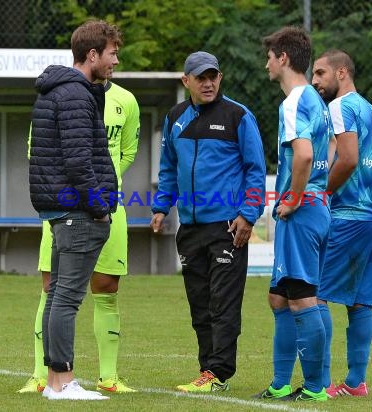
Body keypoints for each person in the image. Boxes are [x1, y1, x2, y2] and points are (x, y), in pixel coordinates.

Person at [19, 21, 140, 396]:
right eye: (112, 53)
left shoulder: (59, 89)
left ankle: (56, 383)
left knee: (58, 295)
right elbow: (78, 160)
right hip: (77, 213)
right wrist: (100, 206)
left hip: (61, 210)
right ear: (92, 55)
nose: (115, 60)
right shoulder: (75, 94)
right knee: (67, 298)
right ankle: (65, 380)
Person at [150, 51, 266, 393]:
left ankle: (219, 372)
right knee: (200, 305)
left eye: (213, 76)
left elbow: (255, 170)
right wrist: (160, 206)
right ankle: (206, 370)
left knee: (223, 302)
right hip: (190, 228)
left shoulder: (238, 116)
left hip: (228, 227)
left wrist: (248, 214)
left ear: (220, 77)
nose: (208, 82)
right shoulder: (175, 118)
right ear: (186, 81)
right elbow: (168, 168)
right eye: (200, 77)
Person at [253, 26, 332, 402]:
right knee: (279, 298)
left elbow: (302, 154)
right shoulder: (316, 100)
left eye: (270, 56)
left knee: (302, 298)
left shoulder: (294, 101)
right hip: (316, 206)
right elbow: (328, 149)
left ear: (283, 58)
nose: (266, 63)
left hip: (300, 210)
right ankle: (282, 382)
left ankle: (315, 388)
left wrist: (296, 197)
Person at [311, 49, 372, 398]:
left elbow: (346, 159)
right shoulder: (371, 111)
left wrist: (323, 194)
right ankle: (356, 382)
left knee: (315, 296)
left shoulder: (339, 107)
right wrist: (369, 205)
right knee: (360, 302)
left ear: (341, 72)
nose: (315, 81)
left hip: (347, 218)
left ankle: (324, 383)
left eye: (320, 73)